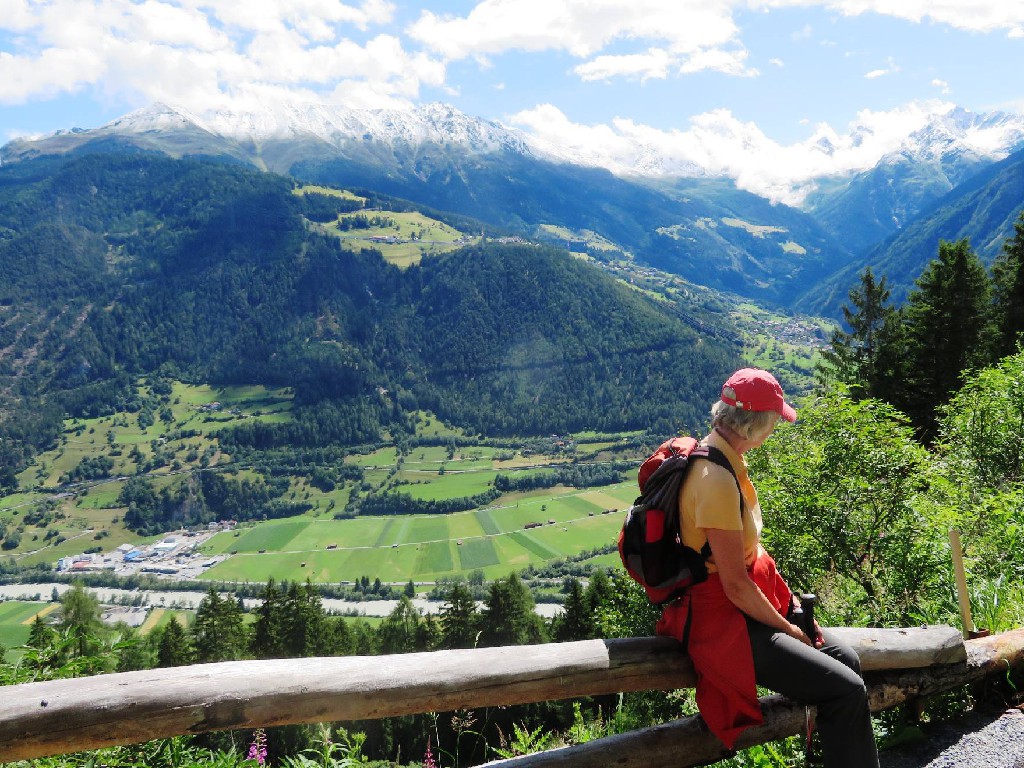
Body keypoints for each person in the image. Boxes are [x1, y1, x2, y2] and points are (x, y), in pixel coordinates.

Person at [655, 367, 879, 767]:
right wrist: (789, 629)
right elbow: (735, 586)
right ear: (754, 424)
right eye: (774, 420)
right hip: (726, 621)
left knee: (845, 660)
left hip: (748, 607)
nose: (775, 428)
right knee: (845, 689)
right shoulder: (715, 479)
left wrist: (789, 607)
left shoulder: (725, 459)